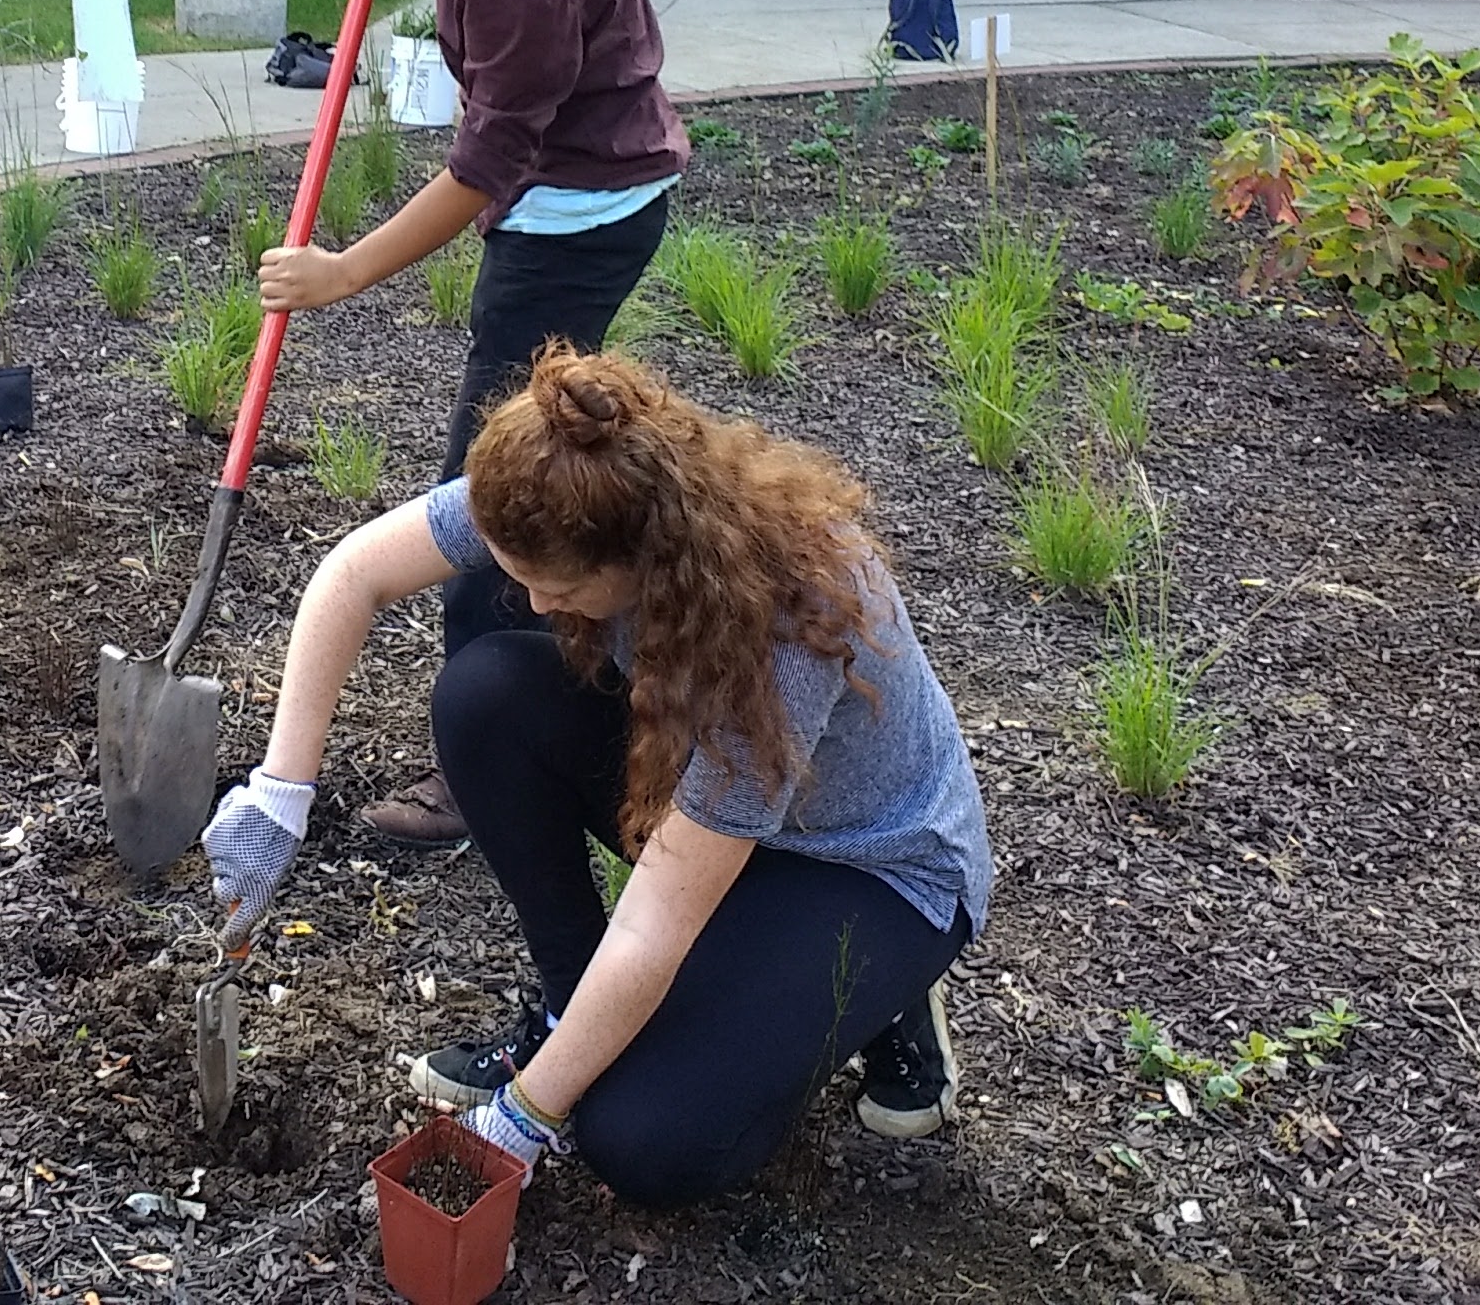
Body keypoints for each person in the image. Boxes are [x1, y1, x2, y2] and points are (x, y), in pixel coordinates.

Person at [201, 349, 992, 1206]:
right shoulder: (559, 479)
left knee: (643, 1140)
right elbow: (354, 574)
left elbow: (658, 913)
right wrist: (281, 793)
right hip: (716, 811)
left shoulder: (788, 617)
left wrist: (528, 1112)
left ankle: (876, 992)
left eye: (561, 588)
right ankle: (568, 1009)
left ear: (637, 559)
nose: (540, 605)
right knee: (487, 696)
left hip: (868, 863)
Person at [256, 0, 688, 842]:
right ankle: (551, 693)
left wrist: (342, 271)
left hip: (574, 211)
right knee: (520, 480)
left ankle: (481, 758)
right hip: (594, 178)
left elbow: (484, 168)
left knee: (499, 494)